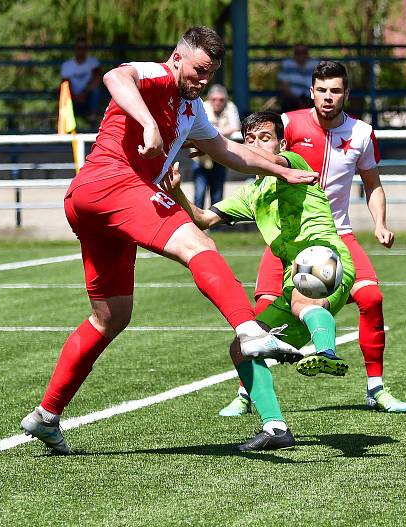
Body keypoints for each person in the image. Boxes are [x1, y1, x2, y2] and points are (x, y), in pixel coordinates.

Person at [19, 26, 318, 455]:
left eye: (209, 74)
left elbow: (229, 151)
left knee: (111, 316)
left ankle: (46, 415)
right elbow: (114, 78)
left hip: (93, 203)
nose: (200, 81)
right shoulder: (157, 75)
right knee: (199, 246)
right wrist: (147, 125)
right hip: (114, 184)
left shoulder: (191, 109)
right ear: (178, 58)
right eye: (197, 70)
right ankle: (249, 330)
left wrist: (284, 171)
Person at [220, 60, 406, 417]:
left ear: (346, 94)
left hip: (336, 233)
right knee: (262, 314)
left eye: (335, 90)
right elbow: (258, 150)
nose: (328, 97)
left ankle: (376, 388)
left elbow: (373, 184)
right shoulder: (289, 124)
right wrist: (219, 149)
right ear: (311, 92)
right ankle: (246, 393)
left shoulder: (361, 133)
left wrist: (380, 223)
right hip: (289, 237)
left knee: (372, 298)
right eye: (321, 90)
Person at [164, 111, 355, 450]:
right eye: (249, 140)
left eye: (265, 138)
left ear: (281, 143)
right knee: (243, 346)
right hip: (291, 276)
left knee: (303, 294)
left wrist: (217, 147)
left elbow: (258, 162)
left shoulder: (292, 162)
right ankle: (275, 428)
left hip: (326, 255)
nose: (256, 146)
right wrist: (178, 192)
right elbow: (204, 218)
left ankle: (326, 351)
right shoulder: (253, 193)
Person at [192, 84, 241, 209]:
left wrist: (214, 132)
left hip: (221, 156)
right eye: (214, 99)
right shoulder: (202, 106)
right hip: (201, 157)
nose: (218, 102)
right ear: (209, 98)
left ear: (226, 99)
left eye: (221, 100)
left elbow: (236, 126)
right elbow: (197, 128)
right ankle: (197, 225)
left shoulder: (230, 107)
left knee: (217, 194)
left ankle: (215, 226)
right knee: (199, 193)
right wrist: (220, 132)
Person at [60, 38, 102, 124]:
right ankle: (64, 124)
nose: (81, 50)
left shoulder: (93, 62)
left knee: (96, 92)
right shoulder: (67, 65)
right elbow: (65, 85)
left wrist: (85, 93)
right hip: (72, 97)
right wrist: (75, 95)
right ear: (75, 49)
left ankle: (93, 118)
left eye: (84, 48)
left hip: (88, 96)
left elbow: (97, 80)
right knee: (63, 94)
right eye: (79, 48)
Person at [278, 44, 319, 113]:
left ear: (307, 53)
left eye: (304, 52)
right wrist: (298, 101)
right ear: (294, 54)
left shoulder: (315, 64)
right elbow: (284, 87)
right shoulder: (287, 64)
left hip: (311, 98)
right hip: (292, 98)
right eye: (298, 52)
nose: (301, 55)